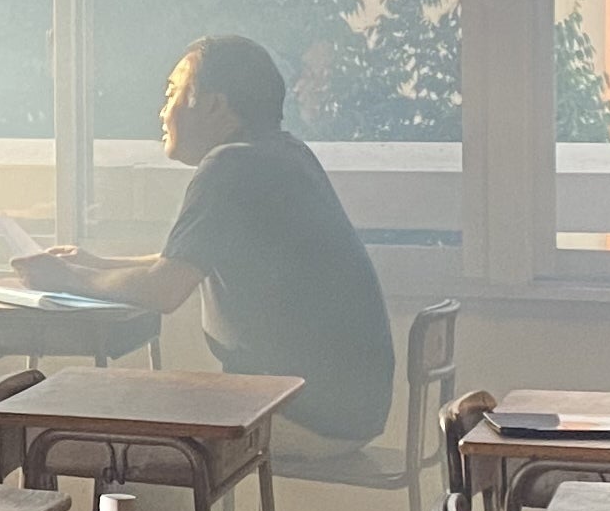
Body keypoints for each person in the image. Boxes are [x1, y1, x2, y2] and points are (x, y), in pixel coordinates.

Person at [28, 33, 395, 460]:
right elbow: (186, 261)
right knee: (139, 412)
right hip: (345, 412)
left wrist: (70, 279)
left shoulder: (230, 166)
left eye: (172, 93)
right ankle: (178, 508)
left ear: (215, 104)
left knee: (84, 430)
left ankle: (135, 509)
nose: (163, 111)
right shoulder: (284, 153)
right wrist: (96, 263)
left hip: (298, 414)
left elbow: (164, 289)